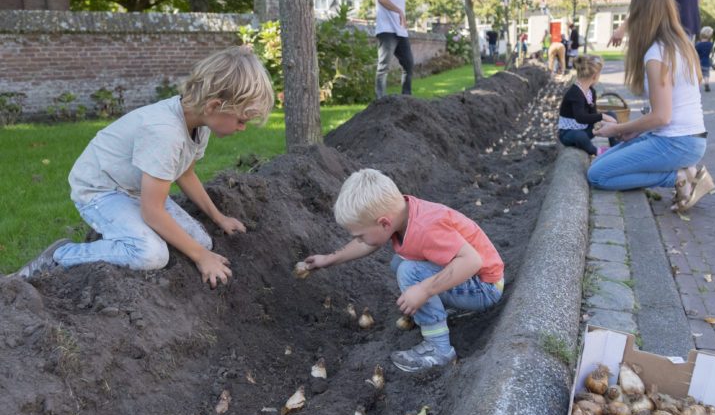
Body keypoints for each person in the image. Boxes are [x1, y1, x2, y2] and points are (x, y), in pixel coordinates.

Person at [11, 46, 275, 286]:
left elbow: (185, 172)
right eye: (241, 121)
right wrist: (201, 257)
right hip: (100, 191)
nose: (242, 128)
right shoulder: (164, 133)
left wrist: (219, 218)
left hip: (135, 188)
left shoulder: (199, 123)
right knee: (150, 254)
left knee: (202, 242)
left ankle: (121, 235)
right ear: (215, 105)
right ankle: (61, 255)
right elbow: (152, 211)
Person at [302, 169, 504, 372]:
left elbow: (472, 261)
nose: (359, 240)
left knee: (409, 271)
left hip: (485, 287)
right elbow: (368, 243)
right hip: (474, 281)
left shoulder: (426, 228)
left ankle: (439, 349)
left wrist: (424, 290)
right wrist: (329, 259)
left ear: (383, 223)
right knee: (399, 263)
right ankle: (440, 308)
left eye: (360, 235)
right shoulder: (402, 215)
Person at [589, 0, 715, 212]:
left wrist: (617, 129)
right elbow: (672, 110)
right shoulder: (683, 46)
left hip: (677, 143)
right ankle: (682, 173)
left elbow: (662, 116)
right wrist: (634, 129)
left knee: (598, 176)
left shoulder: (656, 53)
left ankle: (681, 177)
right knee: (599, 165)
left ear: (641, 13)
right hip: (685, 139)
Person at [557, 55, 617, 156]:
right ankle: (596, 151)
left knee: (611, 115)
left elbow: (592, 114)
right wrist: (602, 116)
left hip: (584, 129)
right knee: (580, 136)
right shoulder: (575, 93)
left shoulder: (590, 91)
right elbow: (580, 117)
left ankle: (615, 146)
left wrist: (601, 123)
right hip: (569, 133)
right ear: (594, 76)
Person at [375, 0, 414, 99]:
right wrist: (399, 11)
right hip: (387, 31)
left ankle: (407, 97)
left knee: (408, 64)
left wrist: (403, 19)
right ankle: (380, 99)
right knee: (383, 66)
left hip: (400, 32)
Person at [695, 26, 714, 92]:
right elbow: (712, 53)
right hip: (706, 61)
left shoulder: (698, 44)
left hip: (699, 62)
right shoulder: (710, 44)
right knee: (706, 74)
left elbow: (695, 53)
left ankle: (698, 86)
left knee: (698, 74)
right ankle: (706, 84)